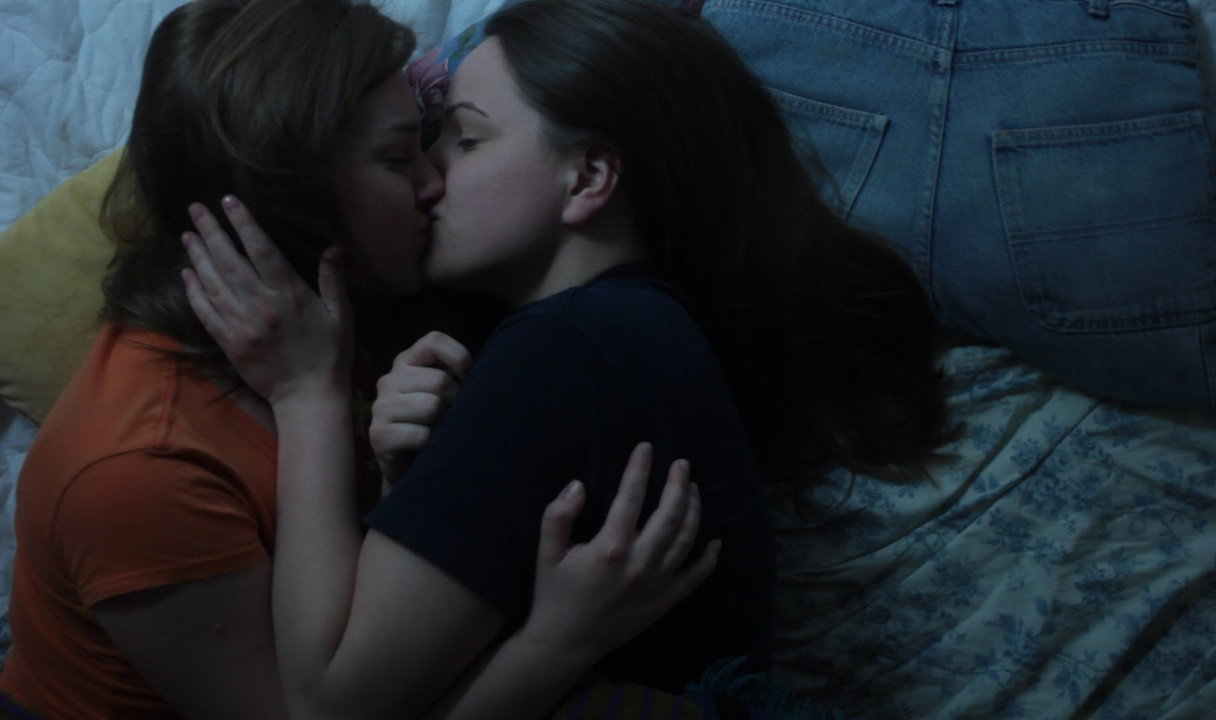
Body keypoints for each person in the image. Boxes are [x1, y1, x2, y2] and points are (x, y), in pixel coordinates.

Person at [179, 0, 950, 717]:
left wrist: (306, 397)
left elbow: (326, 703)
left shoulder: (570, 349)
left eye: (466, 139)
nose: (430, 176)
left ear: (586, 176)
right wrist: (405, 482)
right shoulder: (633, 330)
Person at [0, 1, 711, 718]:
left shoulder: (379, 296)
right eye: (399, 158)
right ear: (294, 195)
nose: (435, 182)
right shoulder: (139, 467)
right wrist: (554, 644)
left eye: (436, 140)